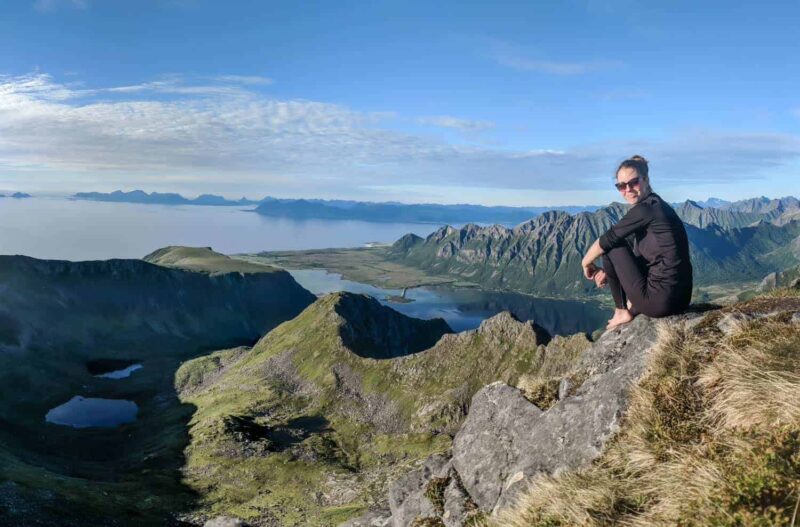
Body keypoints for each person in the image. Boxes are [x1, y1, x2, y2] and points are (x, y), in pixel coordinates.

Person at [581, 155, 692, 329]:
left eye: (634, 183)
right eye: (621, 186)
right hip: (681, 299)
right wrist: (611, 272)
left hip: (660, 302)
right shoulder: (657, 205)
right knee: (618, 245)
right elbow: (636, 256)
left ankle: (621, 311)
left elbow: (608, 239)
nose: (628, 190)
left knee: (611, 245)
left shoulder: (645, 209)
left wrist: (586, 262)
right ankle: (633, 306)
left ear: (646, 180)